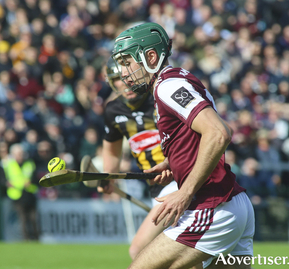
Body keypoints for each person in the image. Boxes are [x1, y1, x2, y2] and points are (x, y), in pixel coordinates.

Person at [111, 22, 255, 269]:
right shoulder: (178, 79)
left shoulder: (169, 87)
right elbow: (200, 138)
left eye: (127, 62)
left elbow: (219, 133)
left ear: (150, 57)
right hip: (233, 203)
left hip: (212, 207)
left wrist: (185, 191)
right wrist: (173, 162)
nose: (123, 72)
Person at [91, 58, 177, 260]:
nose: (125, 84)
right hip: (155, 188)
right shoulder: (113, 110)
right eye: (118, 79)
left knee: (138, 250)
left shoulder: (160, 98)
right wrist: (108, 179)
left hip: (178, 180)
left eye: (128, 78)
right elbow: (111, 151)